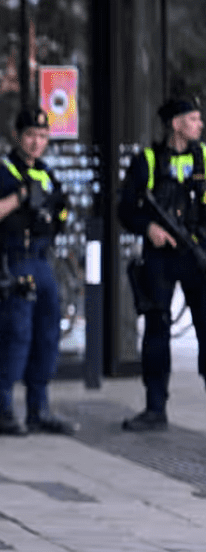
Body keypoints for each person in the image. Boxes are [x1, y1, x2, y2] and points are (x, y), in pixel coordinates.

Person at [0, 107, 79, 436]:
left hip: (43, 260)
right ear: (18, 136)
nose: (37, 142)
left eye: (42, 137)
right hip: (16, 259)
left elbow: (58, 214)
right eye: (30, 136)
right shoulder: (1, 171)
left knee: (47, 336)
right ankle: (4, 410)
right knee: (17, 336)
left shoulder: (47, 173)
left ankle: (39, 410)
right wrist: (19, 198)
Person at [118, 96, 206, 432]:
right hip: (160, 259)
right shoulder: (148, 161)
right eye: (193, 118)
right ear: (176, 123)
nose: (199, 124)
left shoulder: (204, 158)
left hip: (197, 257)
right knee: (156, 331)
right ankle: (155, 407)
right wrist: (148, 227)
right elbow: (125, 208)